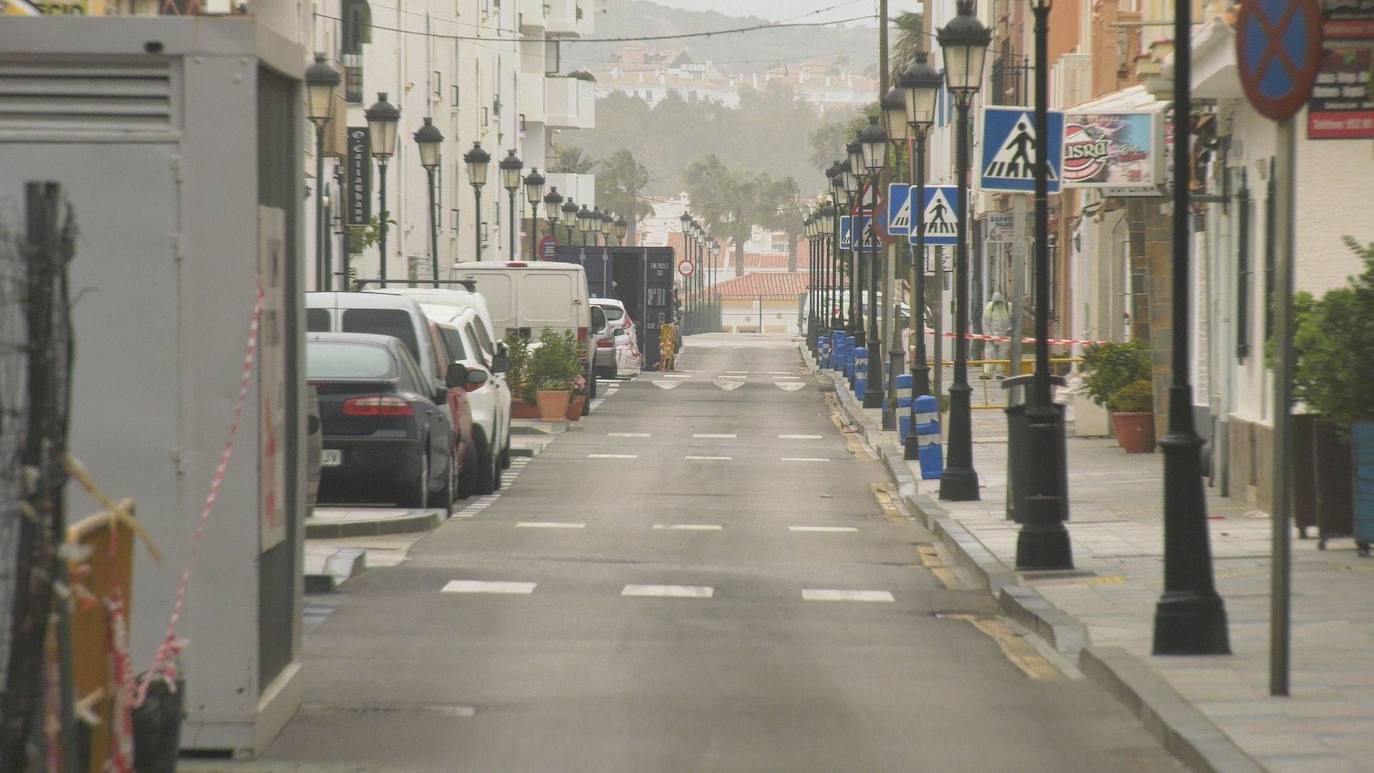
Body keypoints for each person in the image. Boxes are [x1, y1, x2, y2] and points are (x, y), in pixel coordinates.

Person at [982, 291, 1011, 379]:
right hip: (992, 334)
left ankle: (999, 373)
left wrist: (1009, 331)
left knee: (1002, 354)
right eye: (996, 302)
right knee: (989, 354)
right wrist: (988, 335)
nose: (998, 304)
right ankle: (987, 373)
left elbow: (1013, 319)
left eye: (999, 302)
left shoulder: (1009, 306)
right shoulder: (990, 306)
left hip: (1004, 334)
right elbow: (985, 322)